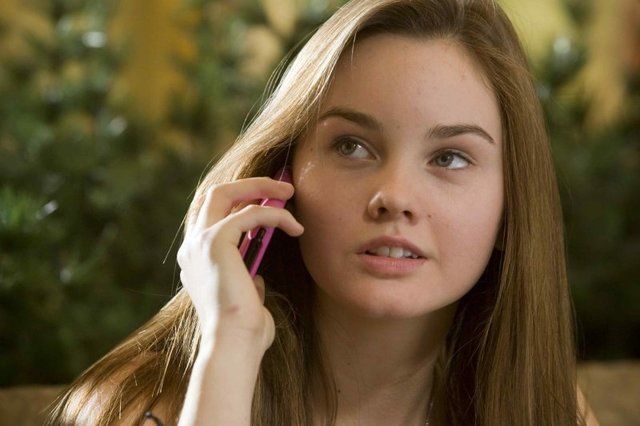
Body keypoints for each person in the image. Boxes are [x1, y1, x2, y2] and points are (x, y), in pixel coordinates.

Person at [46, 0, 600, 424]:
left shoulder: (541, 406)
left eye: (450, 157)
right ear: (280, 180)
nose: (395, 196)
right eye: (351, 146)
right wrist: (230, 341)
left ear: (510, 209)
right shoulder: (142, 401)